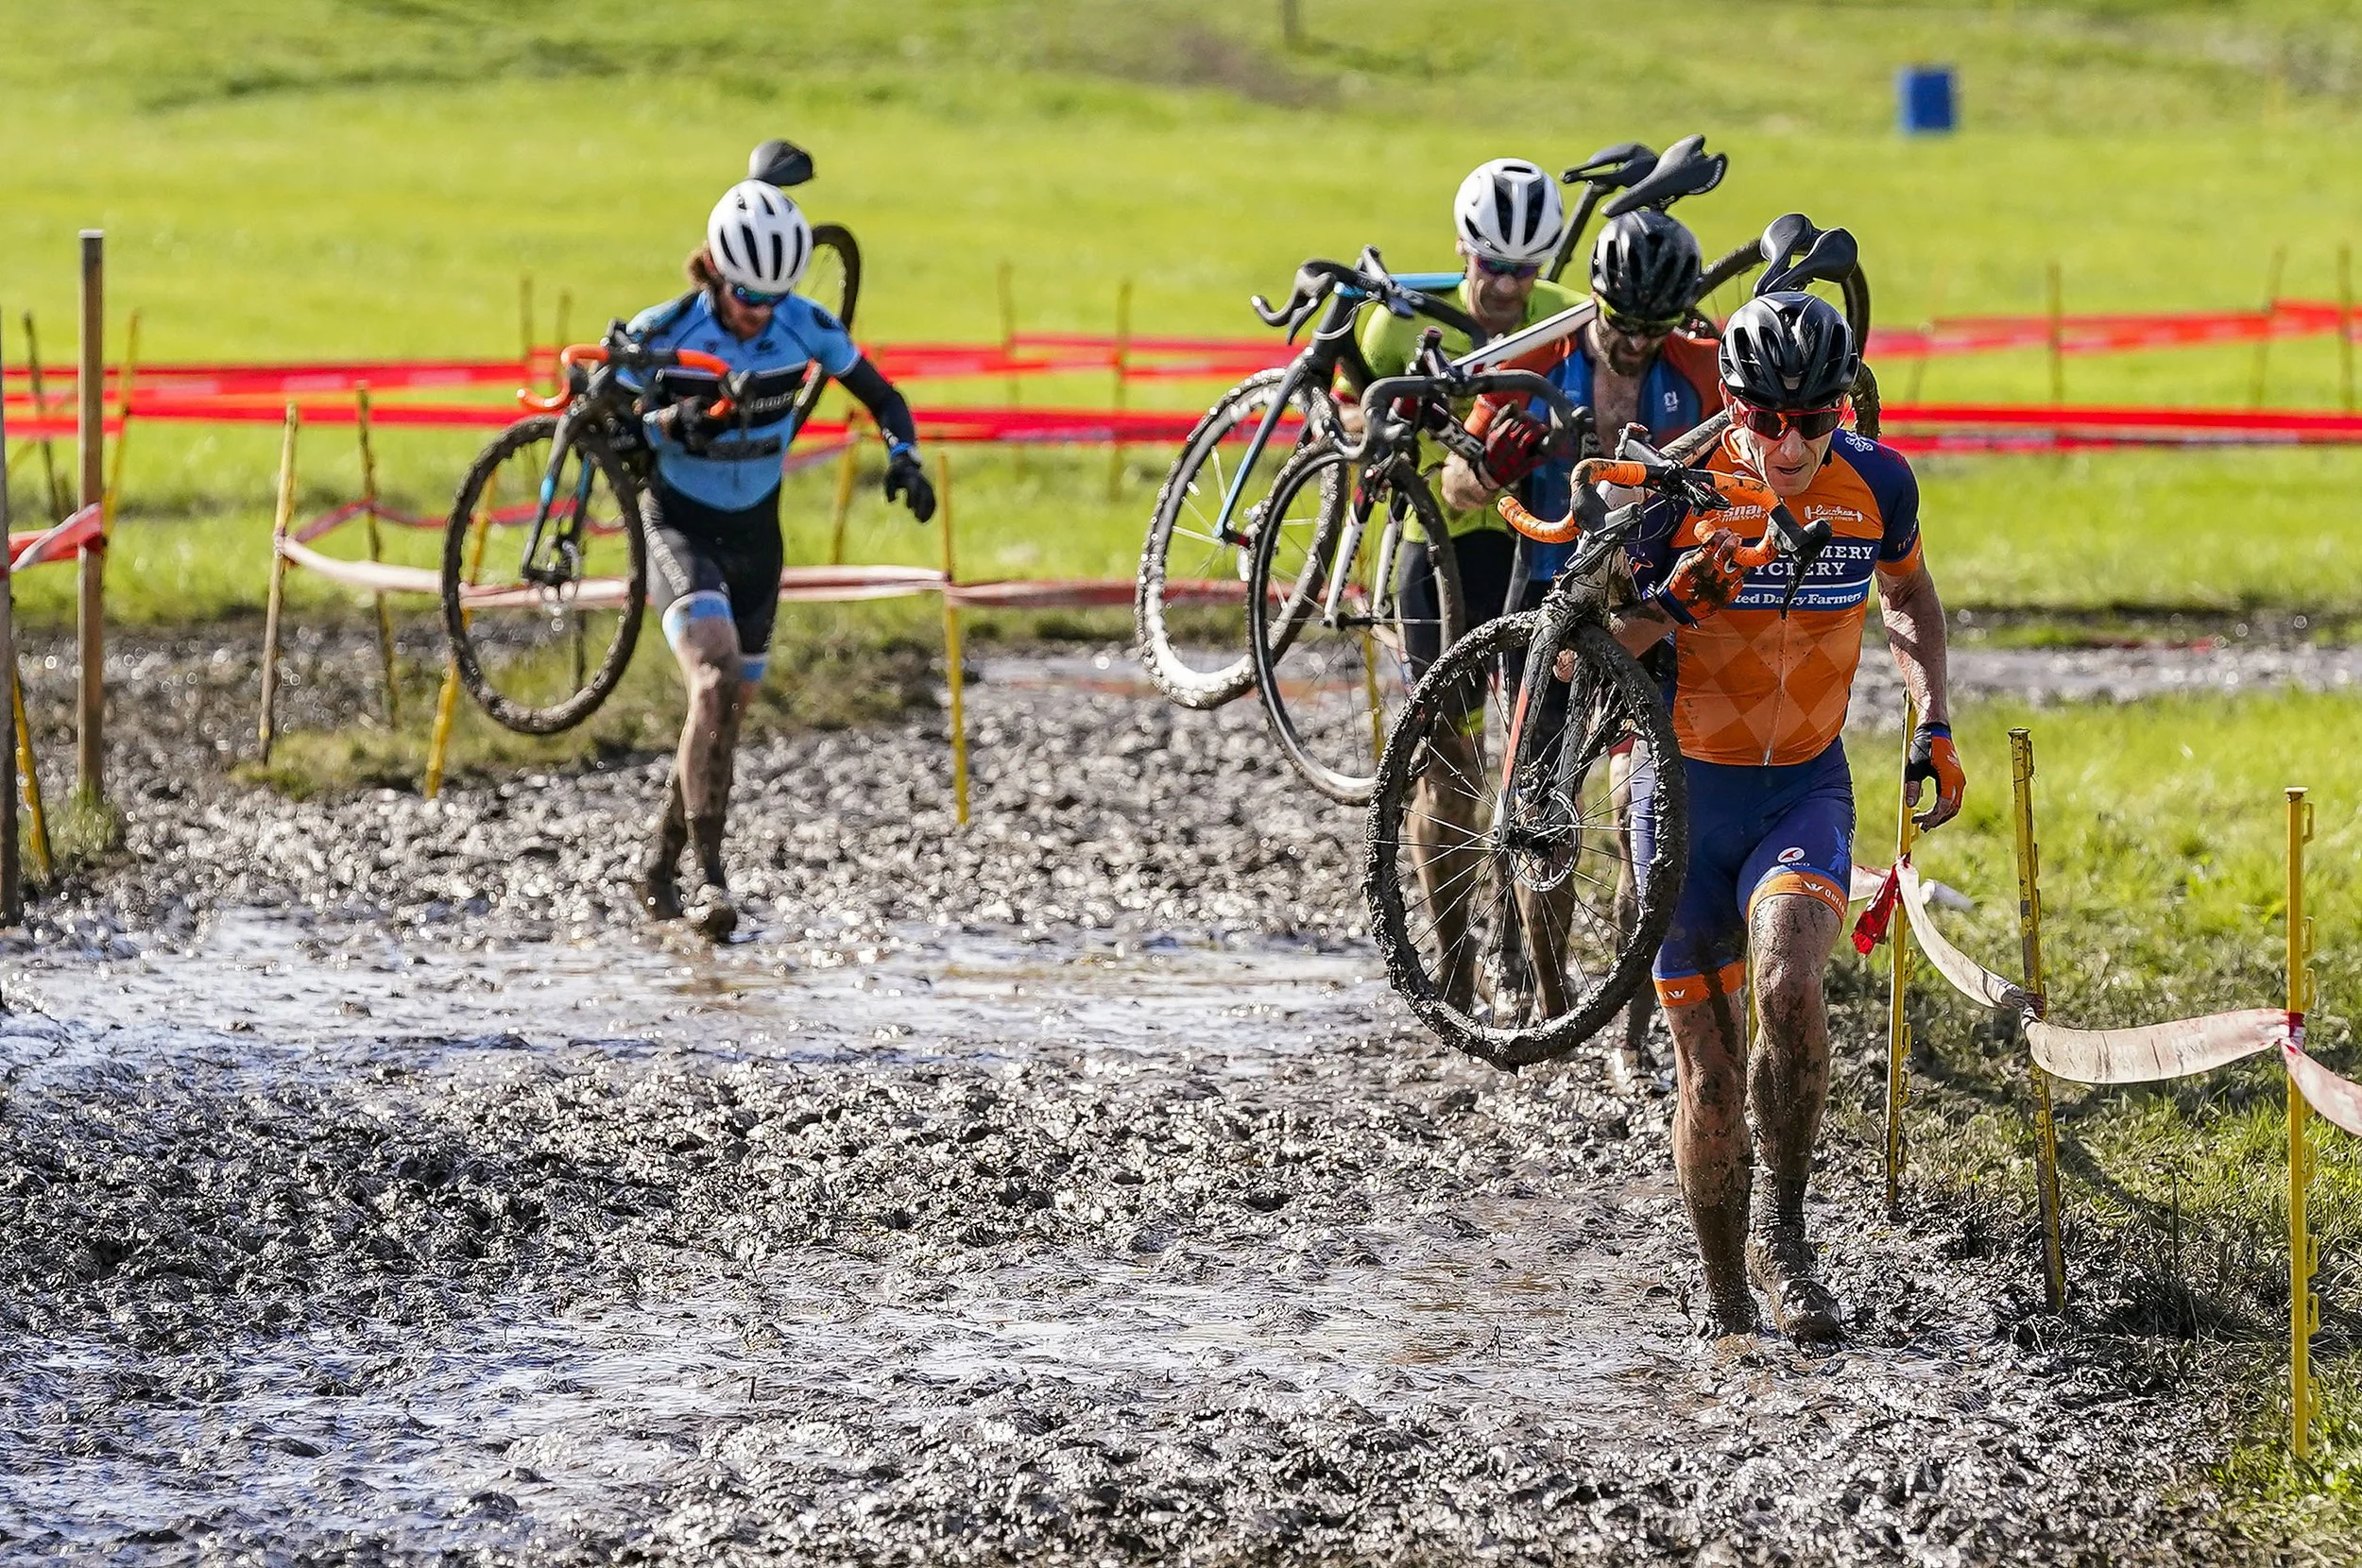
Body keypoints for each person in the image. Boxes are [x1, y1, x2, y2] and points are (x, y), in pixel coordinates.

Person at [1615, 289, 1964, 1342]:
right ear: (1733, 403)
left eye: (1814, 420)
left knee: (1789, 978)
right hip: (1681, 788)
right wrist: (1671, 599)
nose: (1790, 444)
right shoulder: (1673, 488)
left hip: (1801, 786)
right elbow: (1604, 642)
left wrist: (1934, 719)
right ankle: (1724, 1295)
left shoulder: (1879, 484)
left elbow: (1907, 597)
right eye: (1766, 419)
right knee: (1710, 1078)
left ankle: (1789, 1233)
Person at [1436, 207, 1723, 1057]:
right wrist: (1489, 467)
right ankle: (1556, 1003)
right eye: (1621, 323)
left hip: (1659, 604)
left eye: (1654, 327)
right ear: (1594, 297)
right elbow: (1457, 488)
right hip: (1550, 598)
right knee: (1540, 807)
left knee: (1647, 814)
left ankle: (1637, 1031)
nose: (1635, 343)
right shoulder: (1536, 359)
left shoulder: (1699, 369)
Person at [628, 179, 935, 939]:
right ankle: (710, 881)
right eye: (743, 295)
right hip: (680, 525)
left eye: (772, 297)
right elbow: (614, 426)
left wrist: (906, 455)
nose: (756, 311)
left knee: (727, 708)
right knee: (712, 676)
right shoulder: (663, 329)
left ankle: (658, 867)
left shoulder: (803, 324)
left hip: (757, 537)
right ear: (715, 271)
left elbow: (883, 395)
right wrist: (673, 420)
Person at [1360, 159, 1585, 1014]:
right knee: (1449, 776)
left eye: (1525, 269)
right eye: (1493, 267)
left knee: (1543, 783)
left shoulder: (1564, 317)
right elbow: (1351, 401)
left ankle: (1547, 982)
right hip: (1442, 562)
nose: (1507, 286)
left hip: (1542, 565)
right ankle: (1454, 967)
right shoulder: (1395, 328)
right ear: (1463, 249)